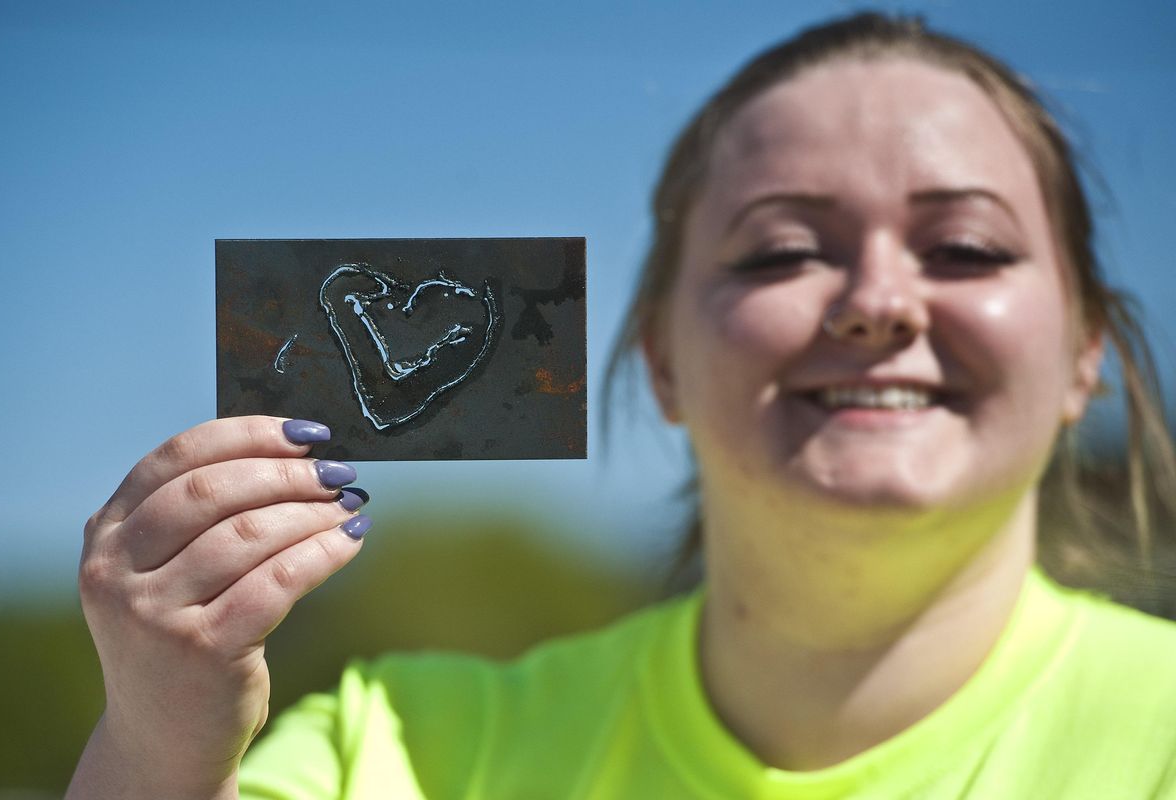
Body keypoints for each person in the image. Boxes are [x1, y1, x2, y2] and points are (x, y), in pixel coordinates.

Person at [67, 12, 1176, 799]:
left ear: (1086, 347)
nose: (879, 301)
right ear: (661, 358)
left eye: (967, 246)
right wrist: (158, 746)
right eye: (783, 249)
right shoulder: (399, 748)